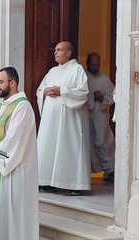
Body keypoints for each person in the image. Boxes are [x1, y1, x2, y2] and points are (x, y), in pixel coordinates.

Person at [0, 67, 39, 240]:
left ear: (12, 83)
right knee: (0, 216)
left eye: (0, 82)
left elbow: (15, 139)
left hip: (14, 172)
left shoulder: (22, 107)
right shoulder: (0, 107)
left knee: (12, 219)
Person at [37, 41, 91, 196]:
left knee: (69, 147)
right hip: (51, 121)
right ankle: (47, 181)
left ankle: (75, 183)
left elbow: (84, 93)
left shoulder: (77, 69)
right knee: (50, 145)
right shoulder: (52, 71)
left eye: (59, 50)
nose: (55, 52)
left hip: (69, 121)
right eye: (55, 50)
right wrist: (45, 91)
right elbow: (40, 89)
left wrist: (63, 91)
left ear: (69, 53)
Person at [86, 52, 115, 183]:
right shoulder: (83, 77)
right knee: (87, 143)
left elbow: (113, 97)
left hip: (101, 116)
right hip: (86, 116)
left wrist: (102, 97)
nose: (96, 67)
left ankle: (110, 170)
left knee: (101, 142)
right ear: (87, 63)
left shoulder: (104, 79)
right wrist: (91, 97)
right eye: (93, 64)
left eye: (98, 65)